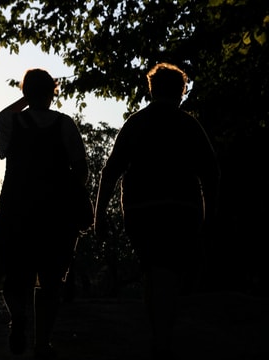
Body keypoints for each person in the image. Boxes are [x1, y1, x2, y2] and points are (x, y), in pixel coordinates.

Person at [93, 62, 220, 359]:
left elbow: (110, 172)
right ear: (182, 92)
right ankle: (162, 337)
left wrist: (99, 216)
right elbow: (211, 173)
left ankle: (158, 335)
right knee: (170, 270)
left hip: (141, 209)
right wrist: (210, 213)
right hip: (182, 209)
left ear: (151, 89)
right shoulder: (189, 125)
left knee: (153, 268)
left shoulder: (135, 123)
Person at [0, 68, 89, 360]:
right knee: (51, 278)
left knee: (14, 273)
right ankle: (42, 343)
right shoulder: (65, 124)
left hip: (17, 207)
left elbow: (4, 119)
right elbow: (81, 169)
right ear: (53, 92)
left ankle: (18, 316)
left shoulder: (10, 120)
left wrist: (25, 97)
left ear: (24, 92)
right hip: (55, 211)